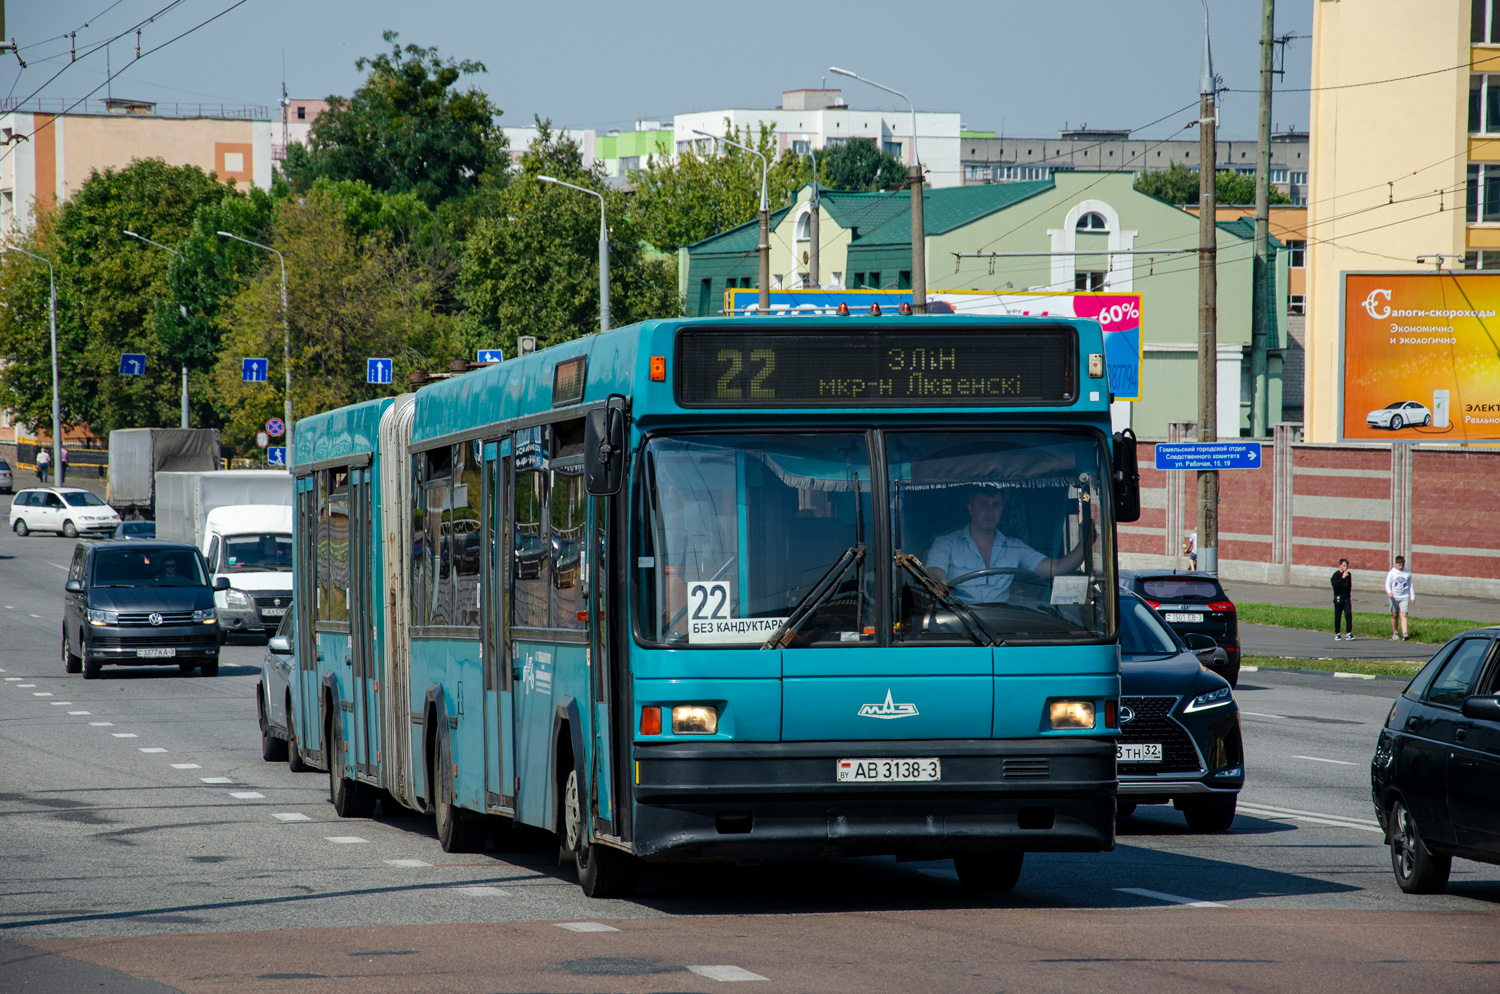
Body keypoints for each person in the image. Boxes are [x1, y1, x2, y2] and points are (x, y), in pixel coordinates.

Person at [926, 486, 1086, 603]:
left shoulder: (1015, 547)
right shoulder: (946, 544)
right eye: (984, 504)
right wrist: (939, 582)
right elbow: (934, 573)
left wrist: (1084, 543)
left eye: (996, 505)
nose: (990, 511)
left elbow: (1057, 568)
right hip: (955, 625)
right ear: (970, 509)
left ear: (1002, 509)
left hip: (1001, 625)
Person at [1385, 555, 1415, 641]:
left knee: (1404, 614)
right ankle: (1395, 632)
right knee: (1395, 614)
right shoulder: (1392, 573)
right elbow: (1387, 584)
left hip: (1404, 596)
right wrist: (1389, 592)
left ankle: (1405, 633)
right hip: (1394, 596)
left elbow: (1410, 585)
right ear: (1395, 563)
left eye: (1402, 565)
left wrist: (1412, 597)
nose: (1401, 566)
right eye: (1399, 564)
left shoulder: (1407, 573)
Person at [1331, 558, 1354, 640]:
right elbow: (1335, 585)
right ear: (1340, 566)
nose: (1345, 567)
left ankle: (1349, 633)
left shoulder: (1349, 575)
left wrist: (1348, 595)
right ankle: (1337, 633)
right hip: (1338, 598)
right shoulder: (1336, 575)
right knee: (1338, 616)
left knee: (1348, 615)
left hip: (1346, 598)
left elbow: (1348, 586)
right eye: (1344, 566)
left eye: (1346, 566)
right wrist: (1342, 578)